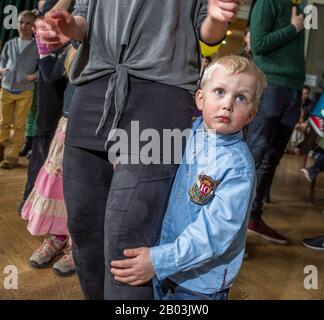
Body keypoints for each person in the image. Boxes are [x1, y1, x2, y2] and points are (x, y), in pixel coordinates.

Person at [36, 0, 242, 300]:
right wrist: (67, 25)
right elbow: (82, 20)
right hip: (94, 87)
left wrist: (216, 17)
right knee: (83, 229)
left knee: (126, 241)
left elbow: (208, 33)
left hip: (161, 92)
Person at [110, 55, 266, 300]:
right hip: (163, 268)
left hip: (199, 284)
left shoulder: (238, 169)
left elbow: (214, 234)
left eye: (241, 98)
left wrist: (159, 260)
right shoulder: (188, 130)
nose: (228, 104)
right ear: (200, 99)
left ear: (251, 115)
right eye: (219, 91)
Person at [246, 0, 305, 244]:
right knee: (256, 155)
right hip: (270, 86)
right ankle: (233, 227)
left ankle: (253, 218)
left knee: (272, 158)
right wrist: (293, 28)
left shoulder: (300, 4)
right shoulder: (268, 2)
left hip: (293, 89)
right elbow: (258, 45)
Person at [21, 38, 77, 277]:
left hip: (103, 126)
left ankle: (77, 246)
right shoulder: (76, 41)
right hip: (70, 121)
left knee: (83, 190)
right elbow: (52, 73)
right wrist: (44, 47)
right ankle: (56, 236)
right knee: (58, 186)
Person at [0, 11, 38, 169]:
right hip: (7, 88)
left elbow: (43, 66)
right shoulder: (10, 44)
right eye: (21, 22)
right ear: (17, 24)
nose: (24, 26)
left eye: (28, 23)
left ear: (34, 26)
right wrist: (1, 70)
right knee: (3, 123)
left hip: (25, 91)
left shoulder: (37, 46)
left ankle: (12, 156)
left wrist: (34, 76)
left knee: (19, 125)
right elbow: (2, 61)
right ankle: (0, 149)